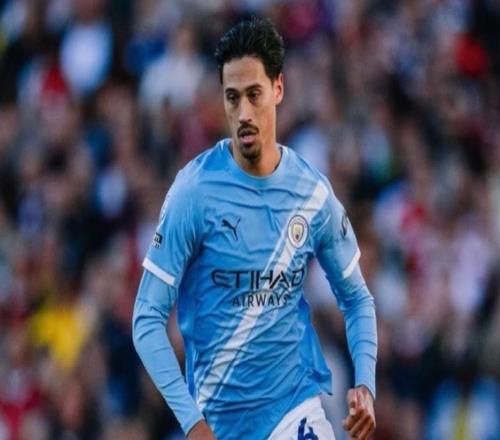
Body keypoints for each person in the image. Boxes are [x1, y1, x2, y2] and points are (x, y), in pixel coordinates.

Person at [133, 17, 377, 440]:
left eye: (254, 94)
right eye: (232, 98)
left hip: (295, 411)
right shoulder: (194, 192)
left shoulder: (312, 194)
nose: (243, 113)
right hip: (216, 423)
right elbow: (146, 318)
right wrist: (192, 423)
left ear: (278, 88)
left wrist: (366, 384)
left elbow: (357, 299)